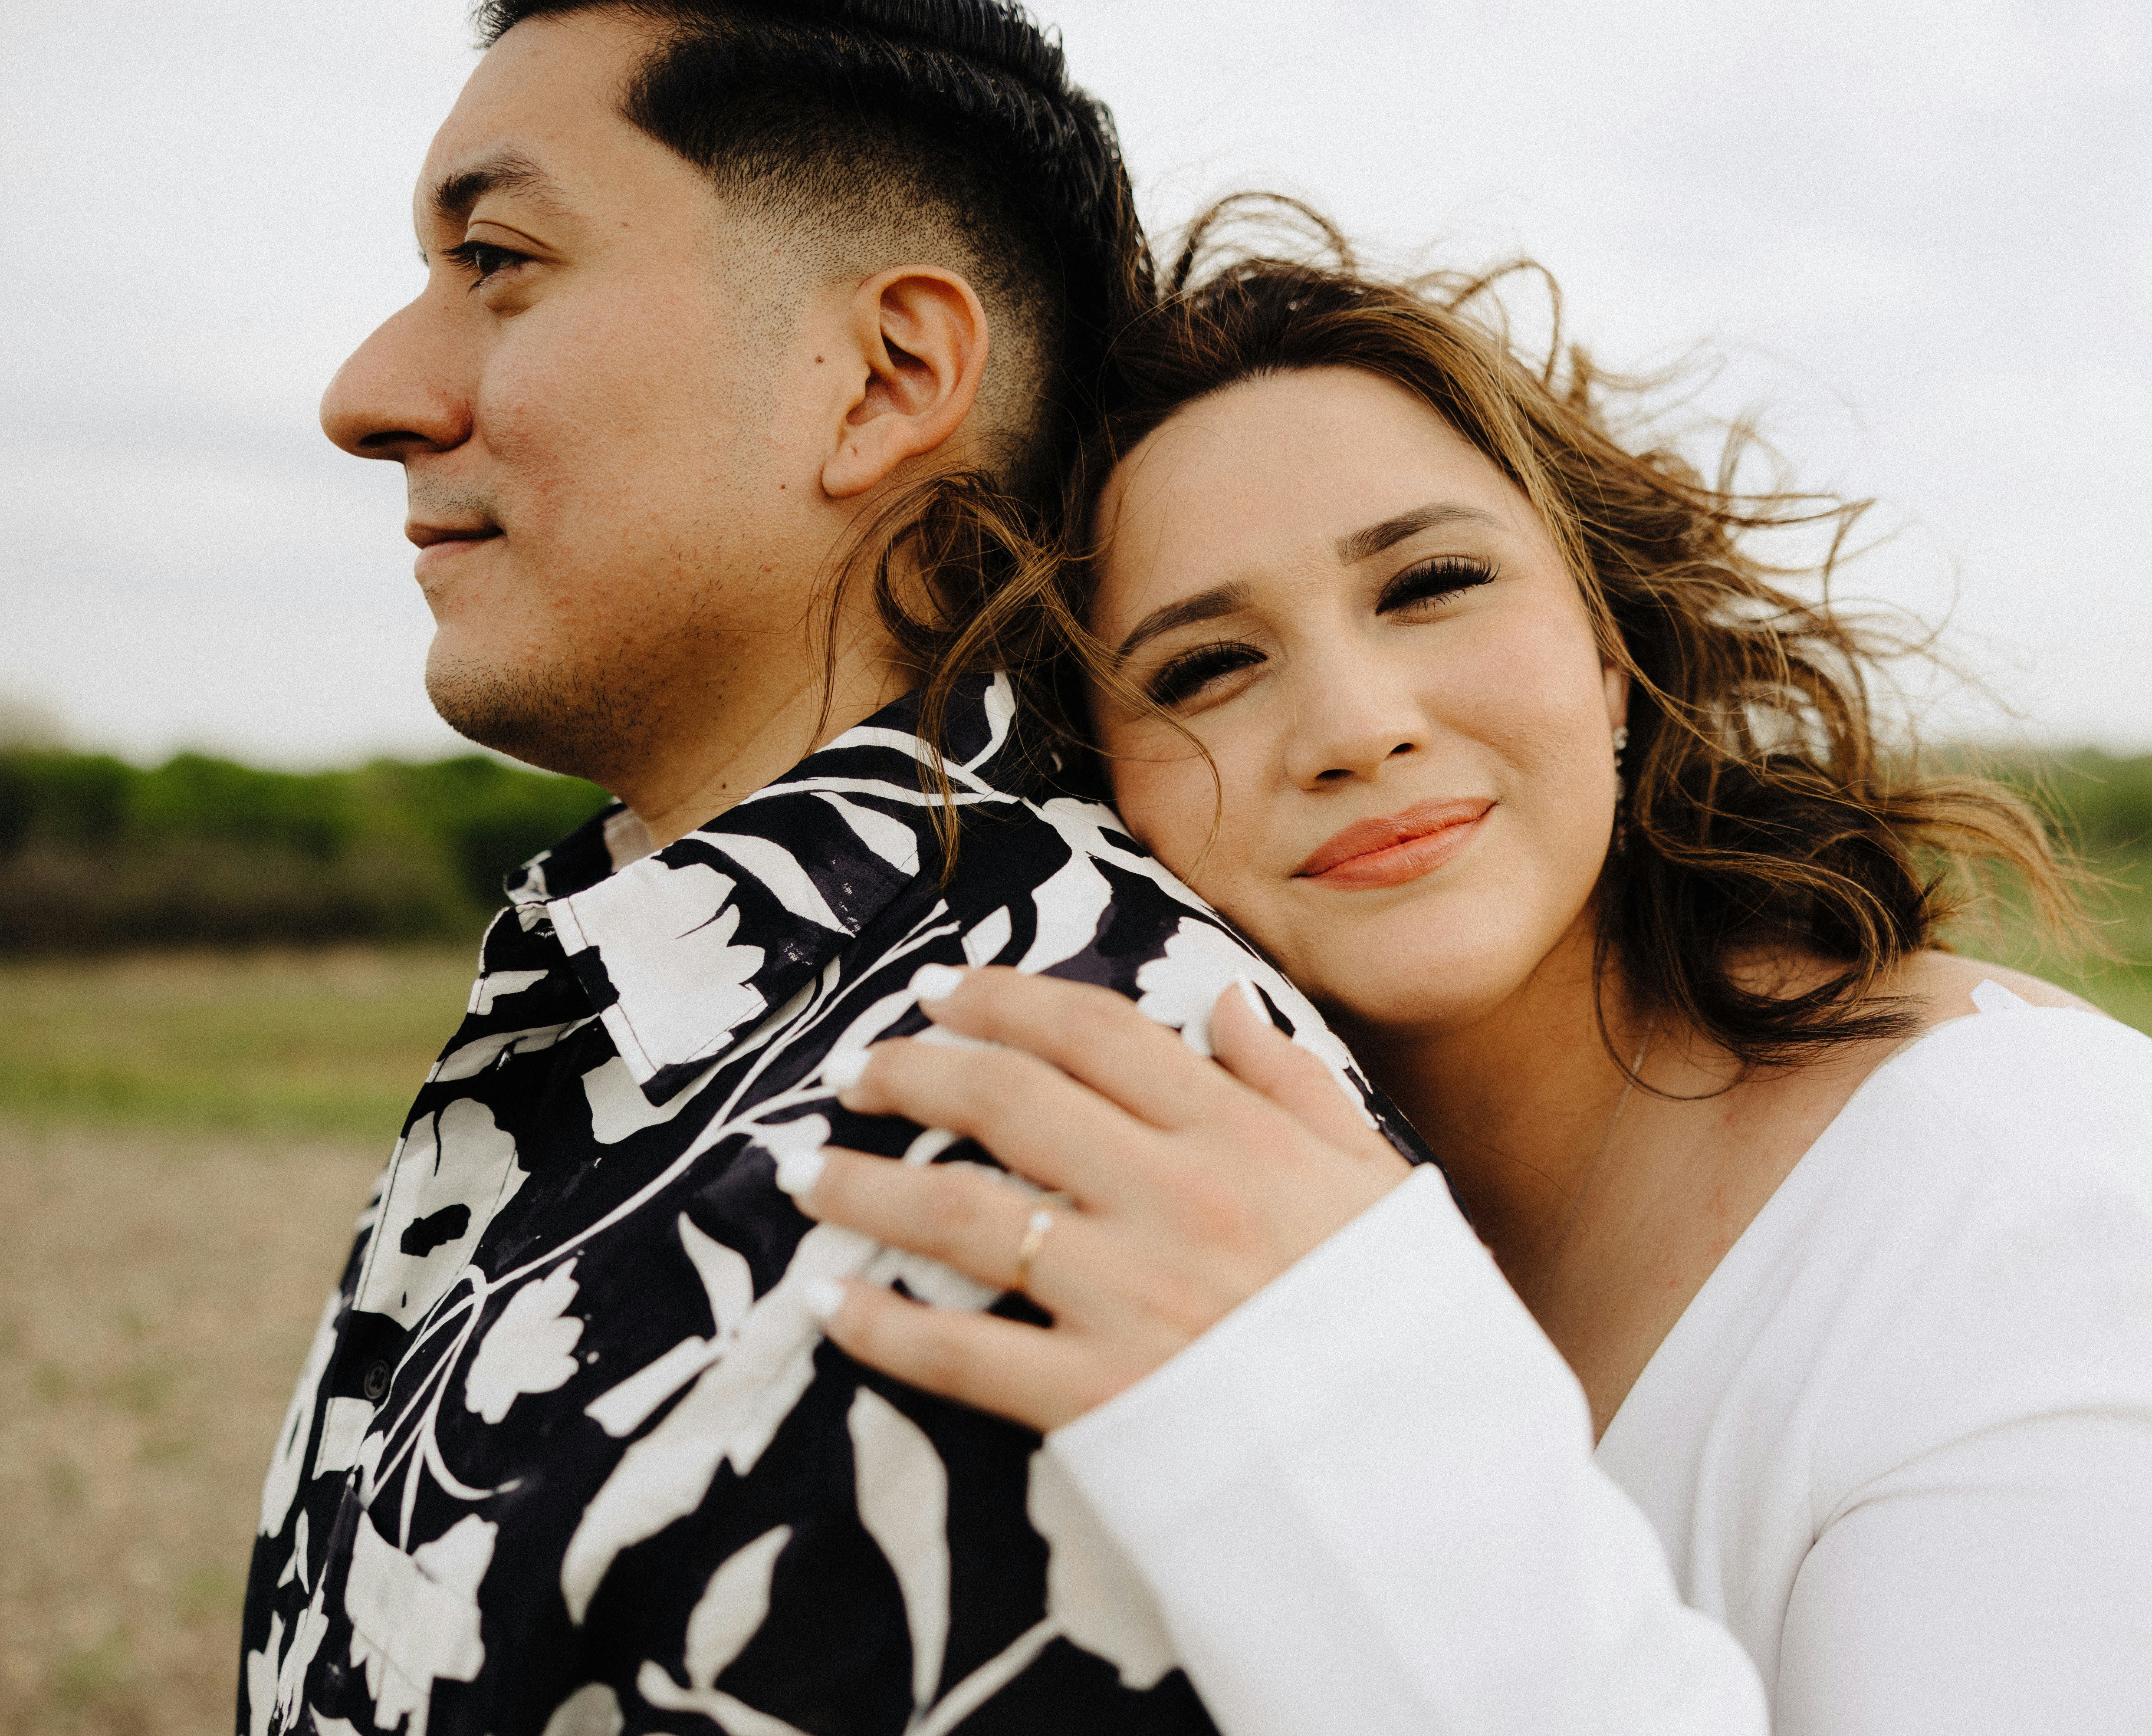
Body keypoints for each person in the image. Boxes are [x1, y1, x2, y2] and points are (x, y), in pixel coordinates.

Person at [784, 213, 2152, 1733]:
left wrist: (1332, 1422)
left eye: (1431, 584)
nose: (1354, 727)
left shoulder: (2041, 1214)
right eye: (1206, 667)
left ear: (1609, 650)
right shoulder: (1173, 1219)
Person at [239, 13, 1430, 1736]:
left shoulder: (1062, 1142)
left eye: (497, 261)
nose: (370, 397)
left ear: (883, 379)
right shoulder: (658, 987)